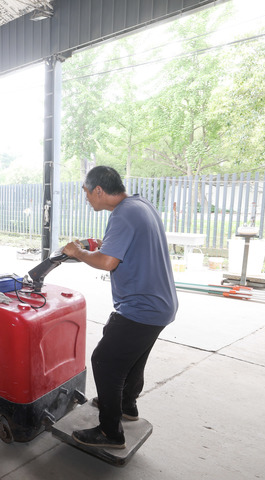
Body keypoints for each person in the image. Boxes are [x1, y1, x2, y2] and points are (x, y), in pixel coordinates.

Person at [62, 165, 178, 449]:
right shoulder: (139, 205)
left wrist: (79, 252)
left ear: (99, 190)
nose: (86, 198)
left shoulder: (123, 214)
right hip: (161, 304)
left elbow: (107, 262)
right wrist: (105, 245)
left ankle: (109, 432)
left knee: (105, 362)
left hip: (142, 307)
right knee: (133, 358)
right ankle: (126, 405)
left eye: (87, 192)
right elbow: (129, 245)